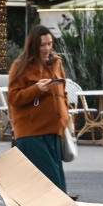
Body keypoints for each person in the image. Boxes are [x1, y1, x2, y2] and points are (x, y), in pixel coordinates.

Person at [7, 24, 70, 191]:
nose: (47, 48)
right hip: (33, 135)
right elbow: (13, 98)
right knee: (52, 186)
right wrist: (37, 89)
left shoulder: (56, 62)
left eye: (50, 43)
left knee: (55, 184)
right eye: (43, 44)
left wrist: (66, 118)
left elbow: (63, 92)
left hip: (54, 132)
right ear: (34, 45)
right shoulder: (22, 65)